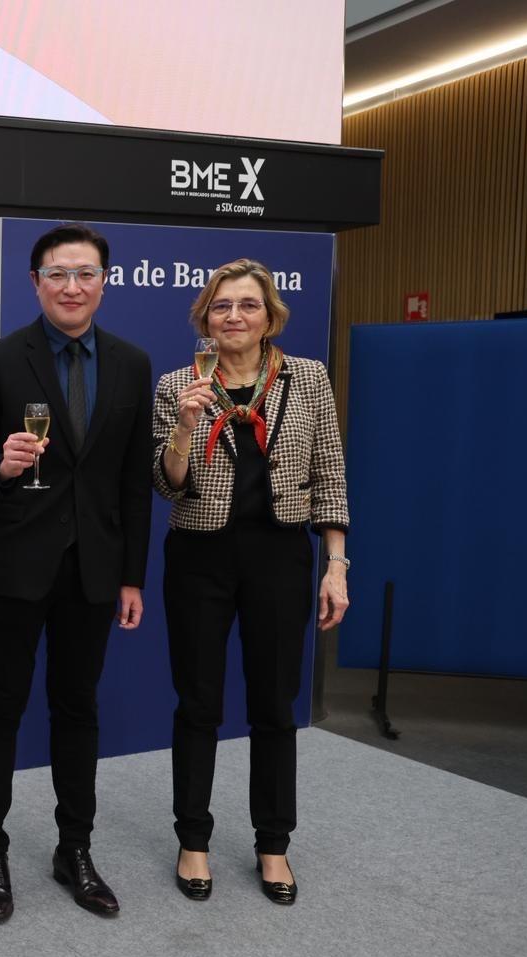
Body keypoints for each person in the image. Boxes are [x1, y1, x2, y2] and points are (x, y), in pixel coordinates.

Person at [0, 222, 152, 920]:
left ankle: (75, 848)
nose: (72, 286)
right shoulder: (0, 359)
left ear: (104, 281)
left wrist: (133, 576)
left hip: (94, 571)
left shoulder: (131, 363)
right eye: (58, 274)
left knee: (78, 709)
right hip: (14, 562)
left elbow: (133, 481)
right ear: (35, 282)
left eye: (86, 273)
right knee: (1, 709)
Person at [154, 258, 349, 906]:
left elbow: (330, 471)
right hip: (200, 557)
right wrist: (184, 423)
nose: (234, 316)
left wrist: (337, 565)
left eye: (248, 305)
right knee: (198, 703)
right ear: (204, 318)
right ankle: (194, 839)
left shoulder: (308, 379)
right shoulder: (179, 383)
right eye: (221, 306)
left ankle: (273, 844)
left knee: (273, 706)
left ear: (271, 317)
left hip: (280, 556)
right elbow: (167, 483)